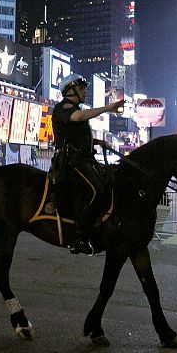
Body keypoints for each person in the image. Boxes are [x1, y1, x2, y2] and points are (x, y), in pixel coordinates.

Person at [51, 74, 125, 255]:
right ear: (70, 91)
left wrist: (98, 142)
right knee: (97, 191)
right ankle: (79, 237)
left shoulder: (75, 108)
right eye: (82, 88)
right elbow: (78, 117)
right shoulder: (64, 108)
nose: (85, 91)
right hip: (71, 163)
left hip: (83, 160)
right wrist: (108, 108)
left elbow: (76, 137)